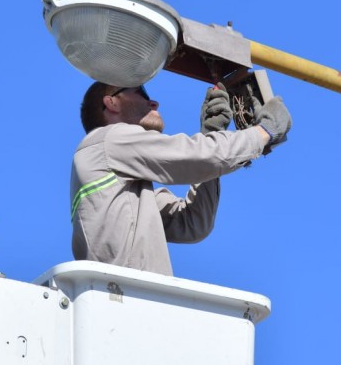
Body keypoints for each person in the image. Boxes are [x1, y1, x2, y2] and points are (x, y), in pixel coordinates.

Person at [70, 80, 292, 276]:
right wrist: (264, 132)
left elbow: (194, 223)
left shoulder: (130, 194)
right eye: (142, 92)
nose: (154, 102)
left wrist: (210, 136)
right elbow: (199, 156)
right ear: (112, 103)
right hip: (126, 300)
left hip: (134, 305)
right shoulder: (108, 140)